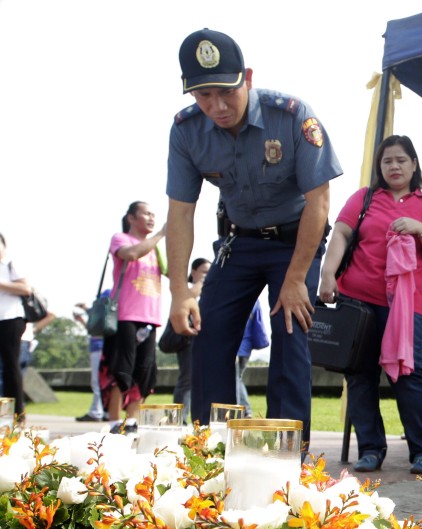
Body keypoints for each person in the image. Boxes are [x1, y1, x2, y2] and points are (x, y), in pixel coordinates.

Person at [165, 29, 342, 448]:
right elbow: (180, 213)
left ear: (246, 76)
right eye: (203, 96)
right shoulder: (187, 130)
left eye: (226, 92)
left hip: (294, 244)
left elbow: (319, 202)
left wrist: (297, 278)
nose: (217, 106)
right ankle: (211, 456)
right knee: (208, 338)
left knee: (290, 333)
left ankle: (284, 461)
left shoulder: (293, 115)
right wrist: (178, 292)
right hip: (237, 244)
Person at [319, 135, 422, 474]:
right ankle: (370, 449)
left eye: (401, 160)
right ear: (379, 167)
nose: (394, 166)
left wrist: (420, 229)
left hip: (406, 308)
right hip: (357, 302)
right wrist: (327, 274)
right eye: (387, 161)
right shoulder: (363, 198)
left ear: (414, 164)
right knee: (360, 376)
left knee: (407, 377)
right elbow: (341, 234)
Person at [106, 201, 164, 427]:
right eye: (146, 214)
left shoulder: (155, 249)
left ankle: (131, 422)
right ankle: (113, 422)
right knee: (122, 371)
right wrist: (160, 235)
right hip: (126, 315)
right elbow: (130, 255)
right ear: (131, 218)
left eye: (153, 214)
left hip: (151, 317)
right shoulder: (121, 239)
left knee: (145, 373)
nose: (151, 218)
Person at [171, 257, 210, 421]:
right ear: (193, 272)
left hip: (203, 342)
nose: (206, 275)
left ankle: (196, 419)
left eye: (210, 272)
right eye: (204, 272)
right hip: (186, 340)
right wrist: (196, 288)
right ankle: (179, 419)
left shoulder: (213, 290)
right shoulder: (187, 291)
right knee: (186, 379)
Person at [0, 232, 31, 419]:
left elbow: (26, 289)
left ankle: (17, 416)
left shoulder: (10, 265)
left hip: (11, 319)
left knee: (11, 367)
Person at [73, 294, 110, 422]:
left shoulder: (100, 311)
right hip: (106, 346)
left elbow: (94, 328)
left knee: (97, 381)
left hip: (98, 347)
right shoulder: (109, 314)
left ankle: (96, 411)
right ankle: (106, 411)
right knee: (107, 381)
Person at [236, 301, 269, 416]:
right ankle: (245, 411)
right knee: (237, 378)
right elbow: (258, 324)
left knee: (235, 379)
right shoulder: (255, 301)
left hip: (237, 347)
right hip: (246, 348)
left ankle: (245, 411)